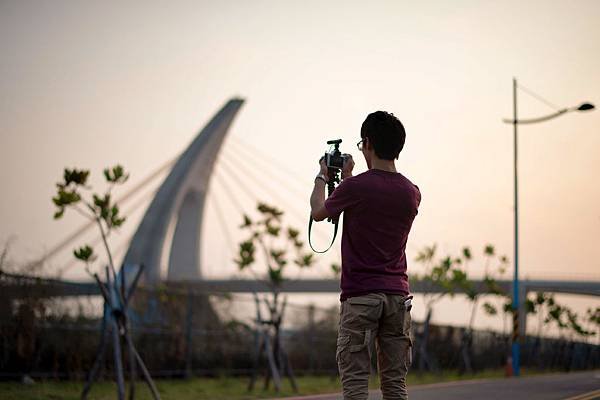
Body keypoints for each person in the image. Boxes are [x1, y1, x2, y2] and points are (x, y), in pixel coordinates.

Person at [310, 111, 421, 400]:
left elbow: (319, 212)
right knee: (395, 385)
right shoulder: (412, 193)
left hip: (360, 296)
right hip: (397, 299)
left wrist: (322, 176)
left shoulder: (355, 188)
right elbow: (374, 200)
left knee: (356, 384)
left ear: (368, 143)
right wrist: (349, 177)